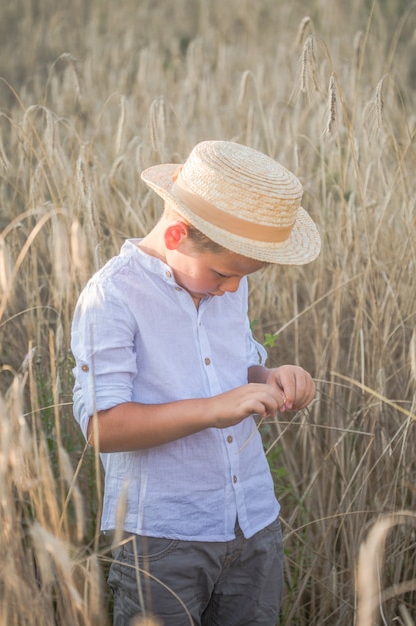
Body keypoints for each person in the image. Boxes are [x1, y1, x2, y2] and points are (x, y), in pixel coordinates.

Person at [71, 140, 321, 626]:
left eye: (241, 278)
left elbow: (237, 369)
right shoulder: (113, 296)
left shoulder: (226, 281)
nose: (231, 288)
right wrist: (214, 408)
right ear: (177, 235)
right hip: (166, 538)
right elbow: (105, 428)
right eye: (223, 274)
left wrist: (272, 378)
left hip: (252, 521)